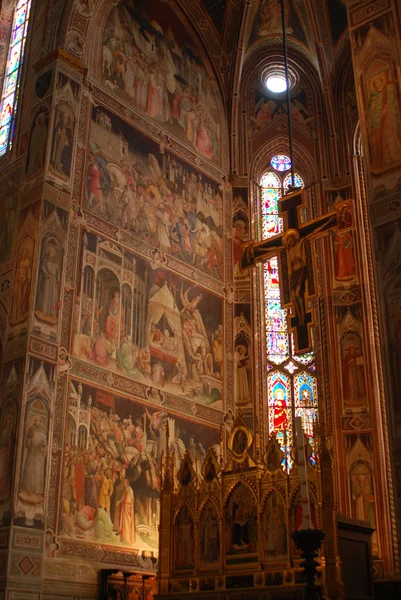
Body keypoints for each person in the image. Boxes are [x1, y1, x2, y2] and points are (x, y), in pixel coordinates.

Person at [20, 415, 47, 500]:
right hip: (31, 454)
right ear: (34, 421)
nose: (37, 422)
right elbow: (27, 444)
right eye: (36, 420)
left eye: (38, 420)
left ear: (40, 422)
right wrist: (30, 441)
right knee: (30, 472)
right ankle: (28, 490)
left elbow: (45, 446)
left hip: (38, 456)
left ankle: (36, 492)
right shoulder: (31, 431)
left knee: (37, 473)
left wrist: (43, 449)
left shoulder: (43, 434)